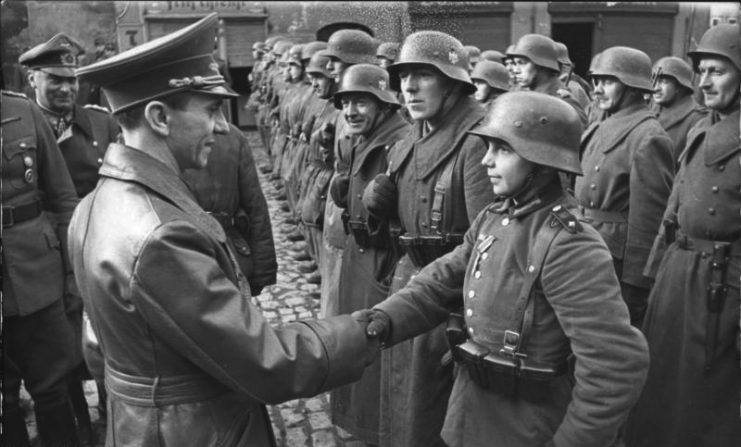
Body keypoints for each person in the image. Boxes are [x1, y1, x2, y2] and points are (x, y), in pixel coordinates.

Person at [72, 14, 377, 445]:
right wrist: (369, 328)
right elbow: (267, 363)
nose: (221, 125)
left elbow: (95, 349)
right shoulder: (162, 236)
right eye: (211, 109)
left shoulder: (90, 208)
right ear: (159, 117)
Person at [361, 91, 650, 447]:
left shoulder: (571, 245)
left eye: (503, 150)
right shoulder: (494, 217)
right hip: (471, 414)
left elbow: (615, 366)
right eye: (488, 148)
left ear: (542, 162)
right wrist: (382, 320)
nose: (486, 162)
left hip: (528, 428)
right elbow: (438, 282)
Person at [362, 30, 495, 447]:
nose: (409, 87)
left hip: (450, 305)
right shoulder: (409, 140)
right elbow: (391, 229)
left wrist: (474, 326)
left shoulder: (477, 142)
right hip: (409, 285)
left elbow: (491, 248)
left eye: (424, 75)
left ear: (454, 83)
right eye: (403, 77)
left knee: (432, 419)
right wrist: (374, 205)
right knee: (401, 408)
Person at [625, 23, 741, 447]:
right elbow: (672, 210)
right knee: (661, 388)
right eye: (702, 71)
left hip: (721, 289)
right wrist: (652, 275)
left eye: (719, 71)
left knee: (706, 400)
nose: (705, 82)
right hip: (678, 280)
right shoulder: (701, 128)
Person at [19, 32, 121, 444]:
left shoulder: (100, 122)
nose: (65, 88)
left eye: (71, 79)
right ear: (32, 81)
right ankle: (76, 417)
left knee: (110, 334)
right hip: (47, 257)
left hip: (101, 247)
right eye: (54, 80)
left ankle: (109, 407)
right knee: (62, 348)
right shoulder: (22, 127)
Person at [328, 63, 411, 445]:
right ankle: (362, 426)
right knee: (356, 349)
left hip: (381, 262)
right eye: (345, 102)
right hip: (357, 258)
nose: (350, 112)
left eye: (360, 102)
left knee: (376, 354)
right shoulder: (364, 138)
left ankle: (377, 432)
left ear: (383, 103)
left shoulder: (400, 142)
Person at [1, 89, 81, 447]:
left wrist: (71, 274)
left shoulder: (22, 110)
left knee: (53, 388)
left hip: (38, 273)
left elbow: (64, 199)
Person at [575, 46, 675, 327]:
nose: (598, 89)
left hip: (614, 264)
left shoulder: (648, 137)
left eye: (608, 81)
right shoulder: (597, 128)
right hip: (584, 249)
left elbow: (648, 222)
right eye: (597, 81)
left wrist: (635, 287)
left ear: (633, 86)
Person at [182, 122, 278, 298]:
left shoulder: (232, 136)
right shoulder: (233, 134)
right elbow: (255, 206)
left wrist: (263, 269)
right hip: (207, 255)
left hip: (226, 254)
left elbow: (254, 205)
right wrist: (263, 271)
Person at [507, 34, 587, 125]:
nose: (516, 70)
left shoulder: (563, 103)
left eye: (522, 63)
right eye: (515, 63)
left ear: (541, 65)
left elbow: (580, 135)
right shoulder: (521, 93)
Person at [650, 56, 707, 168]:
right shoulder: (652, 109)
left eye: (664, 82)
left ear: (680, 86)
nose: (655, 88)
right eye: (654, 80)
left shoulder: (698, 119)